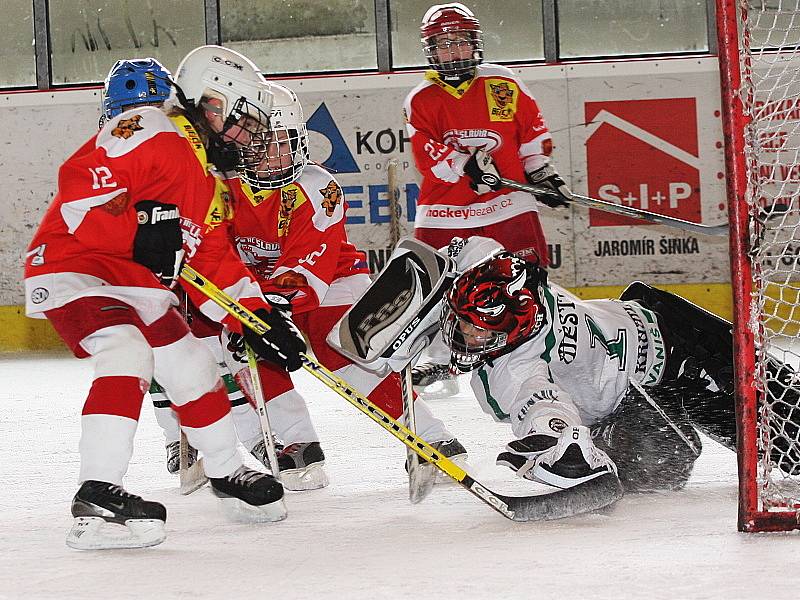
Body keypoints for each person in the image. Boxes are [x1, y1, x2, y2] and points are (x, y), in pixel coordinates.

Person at [24, 45, 307, 550]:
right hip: (78, 265)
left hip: (137, 281)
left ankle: (226, 474)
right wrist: (138, 227)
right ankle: (98, 497)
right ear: (211, 104)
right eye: (242, 120)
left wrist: (262, 320)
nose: (247, 135)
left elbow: (215, 260)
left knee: (193, 363)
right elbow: (79, 181)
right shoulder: (152, 125)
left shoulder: (210, 181)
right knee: (125, 351)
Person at [221, 82, 466, 486]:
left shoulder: (317, 187)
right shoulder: (221, 187)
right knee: (238, 347)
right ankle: (296, 446)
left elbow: (305, 276)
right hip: (253, 286)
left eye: (284, 143)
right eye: (263, 146)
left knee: (341, 348)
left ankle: (433, 439)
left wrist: (265, 310)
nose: (276, 156)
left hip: (333, 278)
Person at [437, 236, 800, 492]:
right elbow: (476, 250)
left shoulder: (516, 341)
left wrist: (552, 441)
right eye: (463, 321)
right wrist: (552, 444)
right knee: (658, 467)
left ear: (513, 328)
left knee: (788, 422)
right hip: (651, 394)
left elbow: (543, 405)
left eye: (477, 328)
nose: (463, 334)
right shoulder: (526, 313)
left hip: (678, 332)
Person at [98, 57, 276, 478]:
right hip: (120, 281)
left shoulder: (198, 156)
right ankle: (167, 451)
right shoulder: (147, 144)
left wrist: (255, 312)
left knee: (201, 352)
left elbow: (211, 249)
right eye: (238, 117)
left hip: (172, 275)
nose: (136, 123)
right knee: (150, 360)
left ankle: (240, 444)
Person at [403, 3, 572, 391]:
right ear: (431, 51)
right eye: (444, 45)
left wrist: (541, 173)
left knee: (528, 279)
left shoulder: (504, 84)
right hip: (445, 210)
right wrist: (466, 164)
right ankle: (440, 358)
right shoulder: (421, 99)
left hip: (508, 204)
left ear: (474, 44)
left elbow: (529, 137)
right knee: (429, 285)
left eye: (460, 42)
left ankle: (538, 348)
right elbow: (428, 156)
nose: (453, 52)